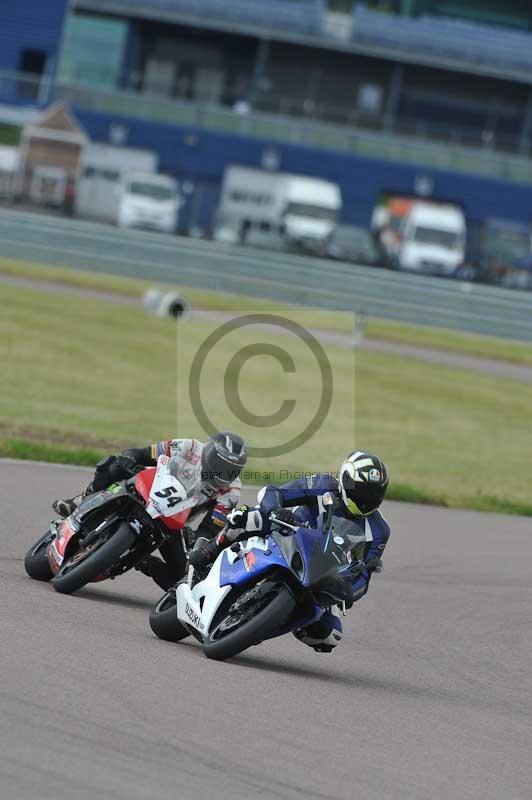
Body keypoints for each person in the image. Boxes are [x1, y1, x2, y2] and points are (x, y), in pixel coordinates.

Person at [189, 450, 390, 653]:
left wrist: (349, 591)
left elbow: (365, 576)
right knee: (249, 517)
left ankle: (259, 627)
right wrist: (275, 509)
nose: (367, 499)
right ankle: (210, 550)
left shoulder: (379, 530)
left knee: (329, 635)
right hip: (290, 532)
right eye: (363, 492)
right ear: (346, 480)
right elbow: (275, 492)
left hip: (324, 572)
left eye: (374, 494)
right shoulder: (323, 484)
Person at [53, 432, 247, 590]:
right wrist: (130, 459)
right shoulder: (189, 446)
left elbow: (210, 528)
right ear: (209, 452)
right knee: (114, 465)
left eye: (232, 469)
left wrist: (197, 546)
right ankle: (79, 501)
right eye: (221, 464)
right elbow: (144, 453)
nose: (224, 472)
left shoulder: (232, 490)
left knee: (184, 578)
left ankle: (146, 562)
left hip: (173, 522)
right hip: (148, 488)